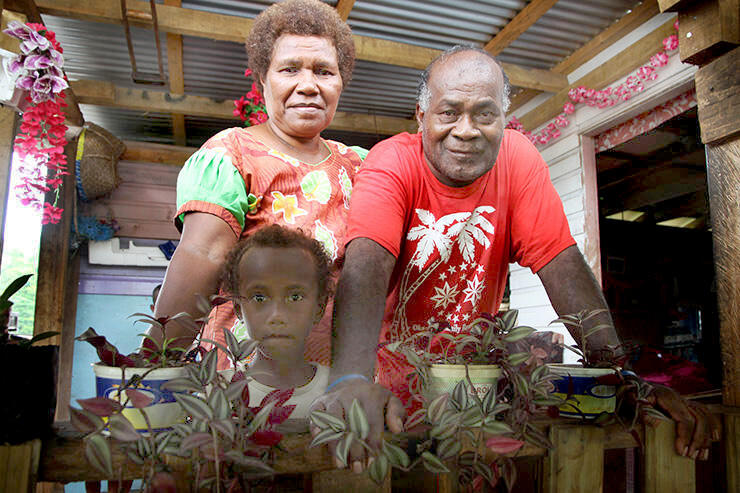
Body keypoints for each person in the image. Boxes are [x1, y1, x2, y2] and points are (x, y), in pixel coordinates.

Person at [312, 46, 719, 471]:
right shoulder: (392, 161)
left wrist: (620, 375)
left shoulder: (519, 160)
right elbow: (366, 266)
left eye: (484, 115)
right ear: (421, 117)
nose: (466, 130)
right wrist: (351, 381)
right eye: (449, 113)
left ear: (504, 121)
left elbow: (562, 265)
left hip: (469, 396)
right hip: (382, 392)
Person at [144, 0, 364, 370]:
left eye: (324, 71)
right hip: (247, 378)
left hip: (334, 379)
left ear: (340, 82)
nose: (308, 85)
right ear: (263, 78)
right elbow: (204, 255)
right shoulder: (233, 154)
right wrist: (152, 367)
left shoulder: (360, 165)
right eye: (290, 69)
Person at [220, 224, 331, 418]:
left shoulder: (337, 390)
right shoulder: (218, 391)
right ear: (239, 309)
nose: (277, 315)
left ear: (319, 308)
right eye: (259, 298)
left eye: (295, 297)